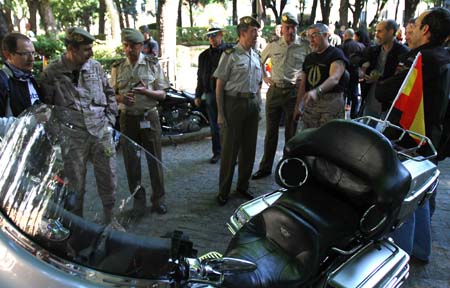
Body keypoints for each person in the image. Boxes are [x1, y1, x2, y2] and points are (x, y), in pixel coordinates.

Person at [375, 7, 450, 263]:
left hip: (410, 142)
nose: (412, 28)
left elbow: (387, 93)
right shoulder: (443, 56)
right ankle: (420, 248)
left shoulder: (421, 60)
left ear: (426, 30)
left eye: (416, 24)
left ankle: (400, 257)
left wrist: (383, 84)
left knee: (403, 202)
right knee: (420, 196)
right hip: (430, 140)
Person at [40, 27, 121, 228]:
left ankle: (111, 220)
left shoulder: (95, 67)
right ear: (71, 49)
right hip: (72, 138)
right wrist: (59, 134)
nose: (91, 53)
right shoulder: (52, 72)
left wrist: (110, 121)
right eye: (85, 49)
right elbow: (46, 107)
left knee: (108, 178)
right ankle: (76, 226)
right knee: (75, 185)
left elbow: (109, 94)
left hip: (100, 133)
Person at [110, 28, 169, 216]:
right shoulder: (117, 67)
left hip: (148, 116)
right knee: (131, 162)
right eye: (125, 46)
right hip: (128, 119)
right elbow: (110, 94)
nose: (129, 50)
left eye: (133, 46)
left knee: (154, 160)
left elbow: (162, 94)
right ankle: (138, 201)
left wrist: (146, 92)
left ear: (141, 46)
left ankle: (158, 199)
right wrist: (121, 99)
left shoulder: (152, 64)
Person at [252, 11, 310, 180]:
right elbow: (259, 61)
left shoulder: (305, 46)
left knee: (291, 133)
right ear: (282, 29)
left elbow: (310, 66)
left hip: (293, 93)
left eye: (293, 27)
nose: (290, 30)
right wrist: (264, 76)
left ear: (296, 28)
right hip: (275, 92)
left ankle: (289, 166)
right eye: (287, 27)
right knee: (271, 133)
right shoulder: (273, 45)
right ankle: (265, 167)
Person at [213, 16, 262, 205]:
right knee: (230, 151)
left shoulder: (255, 55)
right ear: (242, 33)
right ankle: (223, 191)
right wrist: (220, 113)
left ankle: (243, 186)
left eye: (256, 31)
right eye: (253, 31)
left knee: (249, 149)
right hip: (233, 104)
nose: (256, 35)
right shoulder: (230, 55)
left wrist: (258, 106)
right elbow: (219, 85)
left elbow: (257, 84)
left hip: (251, 104)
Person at [293, 23, 348, 129]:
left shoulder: (336, 54)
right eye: (309, 36)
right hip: (311, 107)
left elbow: (334, 78)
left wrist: (317, 91)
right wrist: (298, 106)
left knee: (326, 140)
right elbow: (303, 85)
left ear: (326, 35)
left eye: (314, 35)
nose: (311, 40)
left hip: (331, 105)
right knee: (308, 139)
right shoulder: (309, 58)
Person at [195, 25, 233, 164]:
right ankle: (217, 153)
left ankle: (230, 153)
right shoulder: (204, 56)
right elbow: (200, 76)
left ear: (221, 35)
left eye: (214, 35)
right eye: (209, 36)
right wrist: (198, 95)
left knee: (229, 125)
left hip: (228, 93)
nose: (211, 38)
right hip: (211, 93)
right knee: (214, 125)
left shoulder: (230, 51)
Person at [359, 19, 409, 118]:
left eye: (380, 31)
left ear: (390, 32)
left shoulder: (403, 53)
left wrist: (380, 79)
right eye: (376, 31)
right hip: (370, 98)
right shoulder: (373, 50)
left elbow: (401, 79)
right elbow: (356, 60)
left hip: (390, 102)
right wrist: (362, 70)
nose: (376, 34)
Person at [0, 32, 42, 117]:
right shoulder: (3, 80)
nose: (31, 59)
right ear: (8, 55)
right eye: (25, 54)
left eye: (33, 53)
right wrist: (31, 120)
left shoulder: (30, 79)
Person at [340, 28, 364, 118]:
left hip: (343, 73)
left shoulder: (341, 47)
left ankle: (341, 115)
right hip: (354, 73)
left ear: (345, 36)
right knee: (354, 95)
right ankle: (354, 115)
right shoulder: (360, 46)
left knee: (343, 95)